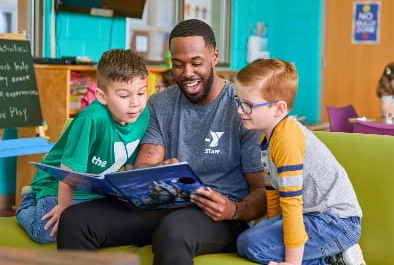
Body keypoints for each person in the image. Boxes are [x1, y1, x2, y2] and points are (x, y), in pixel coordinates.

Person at [56, 19, 266, 264]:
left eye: (196, 63)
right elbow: (145, 167)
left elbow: (261, 190)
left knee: (174, 230)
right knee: (76, 220)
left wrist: (234, 210)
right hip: (166, 205)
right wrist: (158, 172)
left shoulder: (241, 108)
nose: (187, 73)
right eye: (178, 65)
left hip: (221, 216)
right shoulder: (160, 104)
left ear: (214, 56)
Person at [234, 59, 365, 265]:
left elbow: (291, 203)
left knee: (253, 245)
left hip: (336, 223)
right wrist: (271, 225)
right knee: (244, 241)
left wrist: (291, 262)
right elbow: (274, 192)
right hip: (309, 217)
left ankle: (334, 259)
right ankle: (328, 255)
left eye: (247, 105)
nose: (240, 110)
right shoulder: (266, 138)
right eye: (239, 102)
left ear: (278, 109)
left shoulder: (287, 139)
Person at [16, 49, 150, 243]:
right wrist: (64, 208)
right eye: (123, 96)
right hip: (56, 185)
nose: (135, 103)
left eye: (141, 92)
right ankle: (29, 201)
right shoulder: (91, 120)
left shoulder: (142, 115)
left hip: (93, 191)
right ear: (102, 96)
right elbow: (67, 173)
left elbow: (129, 164)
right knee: (48, 233)